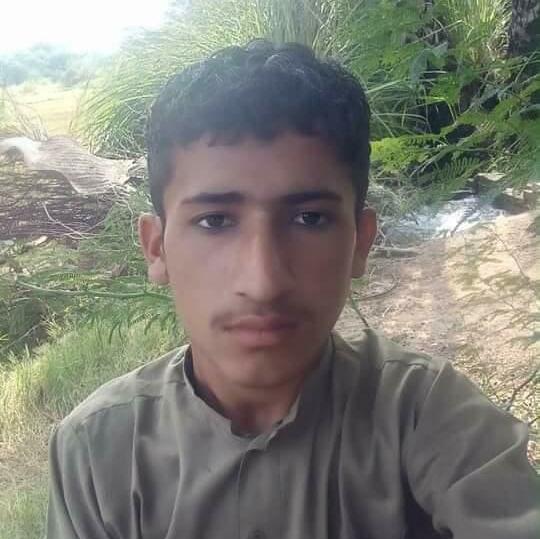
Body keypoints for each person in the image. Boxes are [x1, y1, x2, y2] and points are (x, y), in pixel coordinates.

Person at [46, 41, 539, 539]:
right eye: (215, 221)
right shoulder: (97, 452)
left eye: (309, 219)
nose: (263, 283)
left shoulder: (425, 414)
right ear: (157, 249)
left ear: (360, 242)